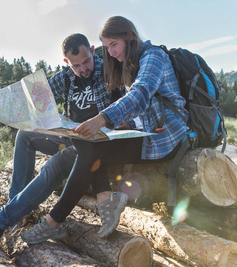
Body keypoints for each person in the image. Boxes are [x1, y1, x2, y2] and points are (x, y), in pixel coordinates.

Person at [20, 16, 189, 244]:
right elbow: (144, 111)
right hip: (145, 131)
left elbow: (140, 94)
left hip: (165, 137)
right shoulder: (129, 63)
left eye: (113, 45)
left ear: (129, 37)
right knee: (89, 144)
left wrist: (102, 119)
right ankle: (102, 201)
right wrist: (130, 124)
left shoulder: (153, 57)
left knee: (90, 146)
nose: (110, 52)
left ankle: (54, 222)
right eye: (107, 47)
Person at [0, 33, 131, 243]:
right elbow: (33, 95)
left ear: (93, 51)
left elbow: (131, 100)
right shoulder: (66, 76)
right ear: (67, 62)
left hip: (93, 145)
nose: (83, 69)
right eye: (76, 65)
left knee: (53, 166)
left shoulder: (109, 72)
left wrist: (120, 121)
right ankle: (16, 208)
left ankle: (2, 221)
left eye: (86, 61)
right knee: (25, 135)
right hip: (70, 136)